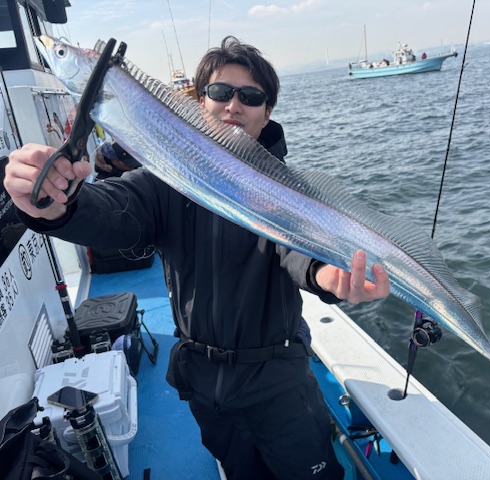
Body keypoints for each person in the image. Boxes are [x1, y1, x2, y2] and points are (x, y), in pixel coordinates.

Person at [4, 36, 390, 479]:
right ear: (200, 102)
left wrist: (326, 274)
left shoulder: (284, 194)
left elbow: (299, 252)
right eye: (221, 92)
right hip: (204, 386)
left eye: (251, 97)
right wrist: (54, 206)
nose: (234, 105)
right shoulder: (164, 182)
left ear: (267, 114)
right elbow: (112, 211)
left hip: (278, 387)